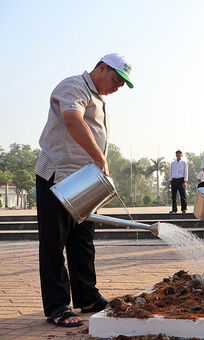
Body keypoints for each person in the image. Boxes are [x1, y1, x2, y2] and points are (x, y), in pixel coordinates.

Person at [35, 53, 133, 327]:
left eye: (122, 85)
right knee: (54, 242)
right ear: (102, 67)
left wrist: (99, 165)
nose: (117, 87)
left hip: (84, 180)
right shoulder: (74, 86)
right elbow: (72, 120)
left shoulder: (101, 100)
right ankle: (57, 306)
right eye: (116, 80)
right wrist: (99, 158)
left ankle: (87, 296)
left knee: (82, 240)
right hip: (58, 176)